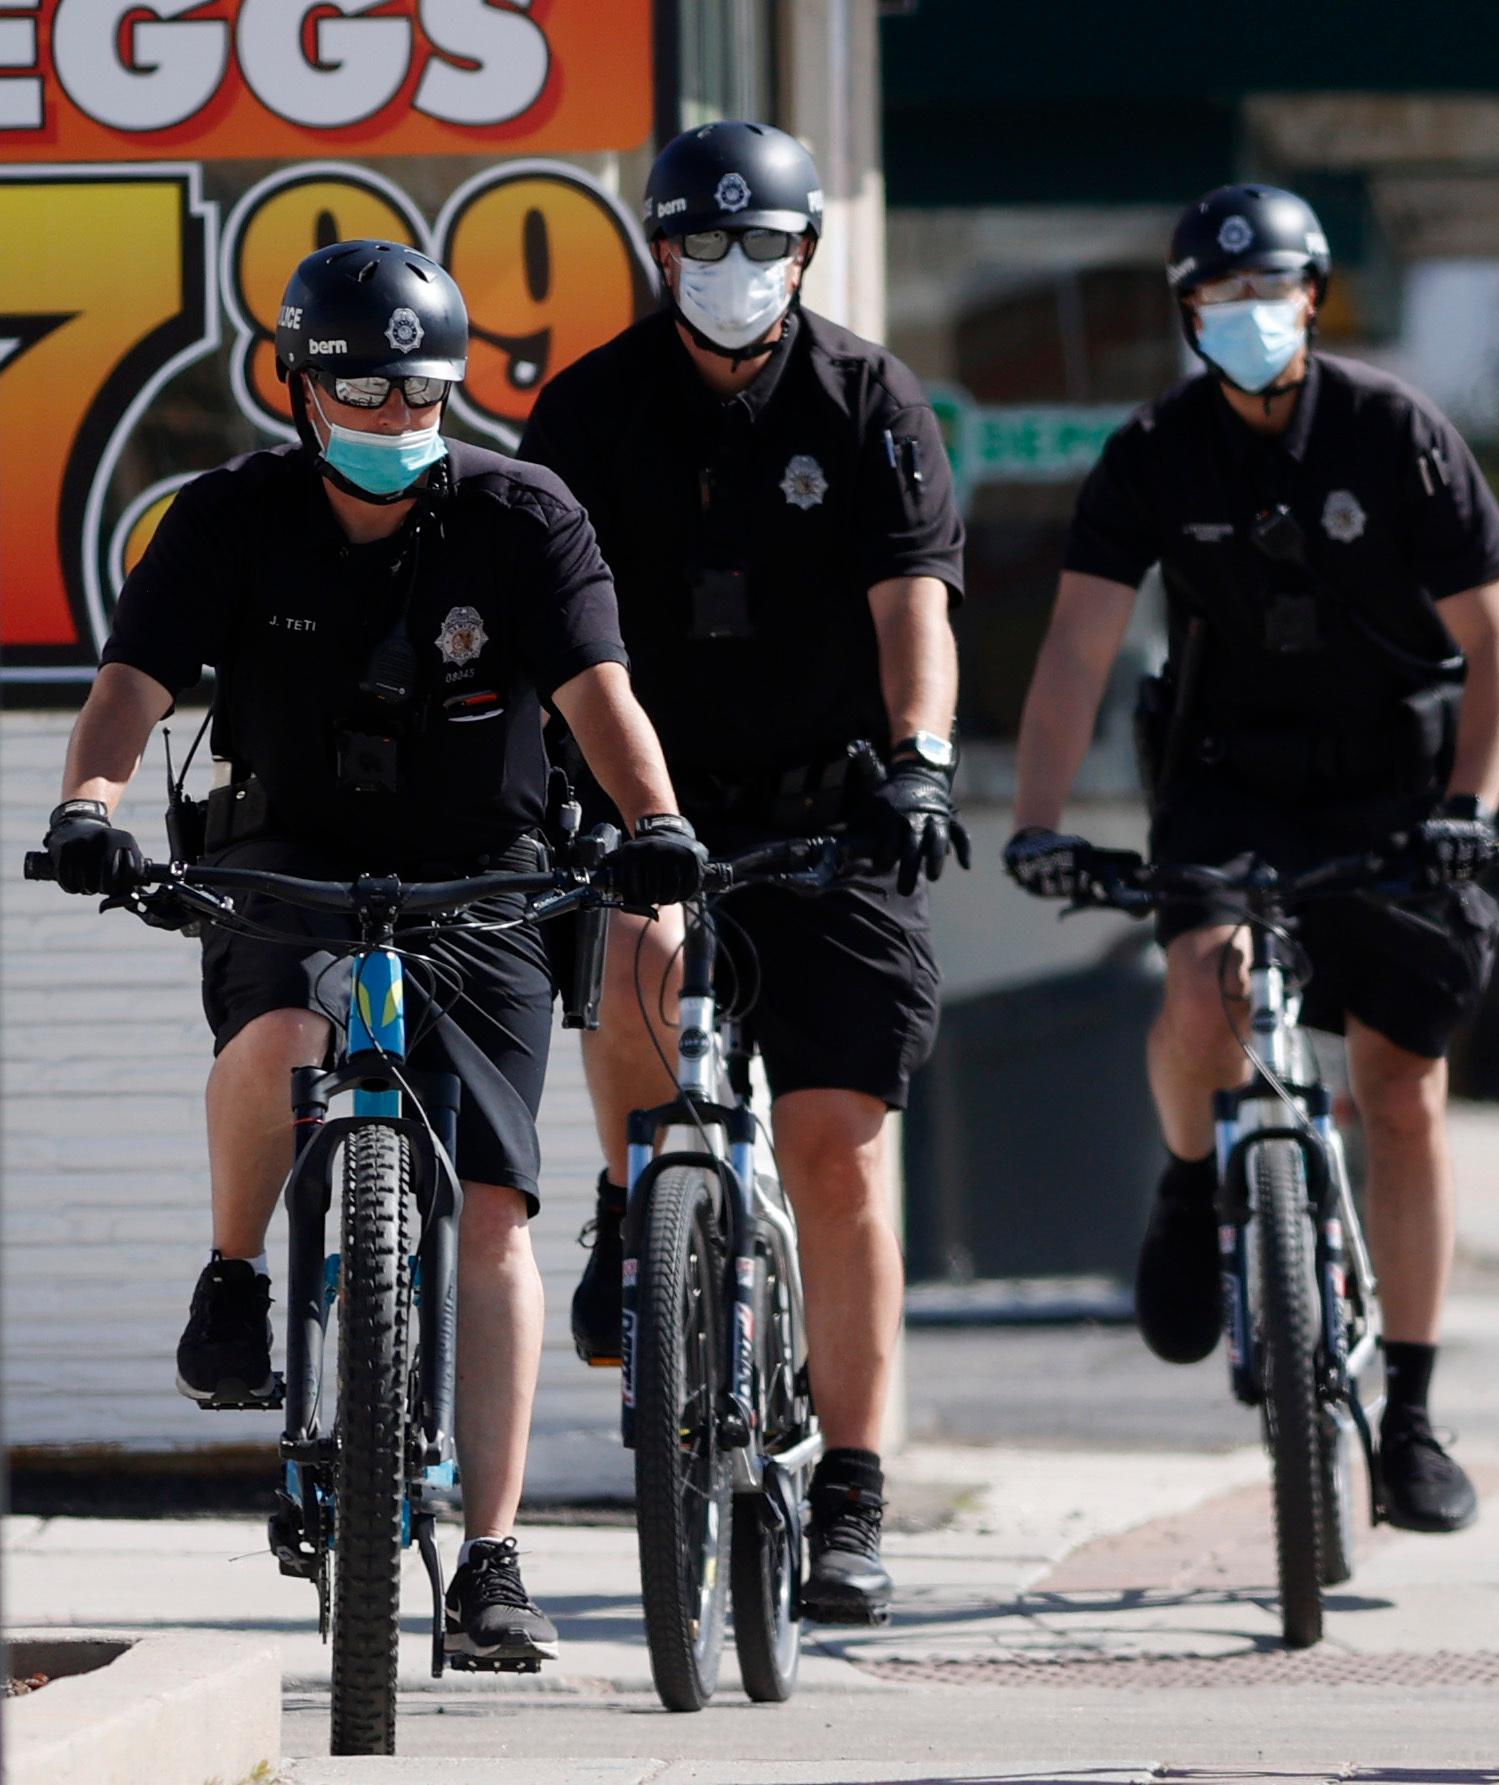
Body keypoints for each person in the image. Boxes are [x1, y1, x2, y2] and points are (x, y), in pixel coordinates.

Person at [39, 241, 704, 1667]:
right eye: (369, 392)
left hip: (482, 877)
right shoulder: (223, 519)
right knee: (273, 1047)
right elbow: (127, 688)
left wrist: (654, 822)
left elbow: (600, 691)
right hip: (281, 864)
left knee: (495, 1213)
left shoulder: (525, 516)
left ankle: (495, 1555)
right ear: (298, 386)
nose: (400, 421)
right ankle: (233, 1274)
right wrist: (87, 807)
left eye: (424, 394)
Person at [1002, 184, 1499, 1533]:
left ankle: (1407, 1416)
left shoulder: (1394, 432)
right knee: (1203, 986)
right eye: (1218, 300)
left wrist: (1470, 799)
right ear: (1189, 314)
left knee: (1399, 1088)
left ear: (1313, 297)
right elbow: (1075, 644)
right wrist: (1039, 819)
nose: (1247, 319)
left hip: (1395, 785)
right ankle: (1190, 1191)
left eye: (1271, 294)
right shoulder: (1152, 453)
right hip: (1227, 777)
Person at [517, 120, 967, 1625]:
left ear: (805, 256)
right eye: (700, 246)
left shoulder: (866, 399)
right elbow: (541, 627)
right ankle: (625, 1195)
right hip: (654, 805)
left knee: (838, 1146)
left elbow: (914, 599)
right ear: (660, 253)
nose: (730, 272)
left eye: (760, 246)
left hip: (830, 810)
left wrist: (919, 758)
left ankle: (849, 1488)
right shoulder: (588, 412)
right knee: (633, 967)